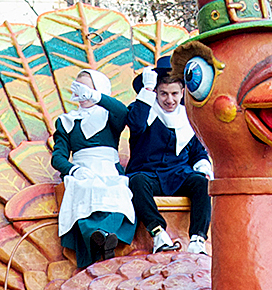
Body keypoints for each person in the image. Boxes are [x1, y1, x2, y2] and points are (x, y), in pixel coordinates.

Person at [125, 57, 212, 255]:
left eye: (174, 93)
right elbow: (136, 125)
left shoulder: (189, 118)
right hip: (148, 174)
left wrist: (204, 168)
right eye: (163, 94)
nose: (169, 100)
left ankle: (198, 240)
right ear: (156, 92)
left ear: (183, 92)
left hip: (179, 175)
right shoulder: (144, 110)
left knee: (201, 183)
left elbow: (198, 152)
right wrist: (146, 91)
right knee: (137, 182)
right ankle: (158, 234)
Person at [52, 67, 136, 270]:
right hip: (82, 169)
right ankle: (97, 238)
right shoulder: (67, 121)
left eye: (87, 89)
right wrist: (73, 170)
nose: (82, 95)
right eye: (79, 88)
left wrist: (98, 97)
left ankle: (106, 236)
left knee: (117, 190)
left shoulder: (110, 116)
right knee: (82, 190)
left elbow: (124, 113)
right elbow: (58, 157)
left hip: (109, 168)